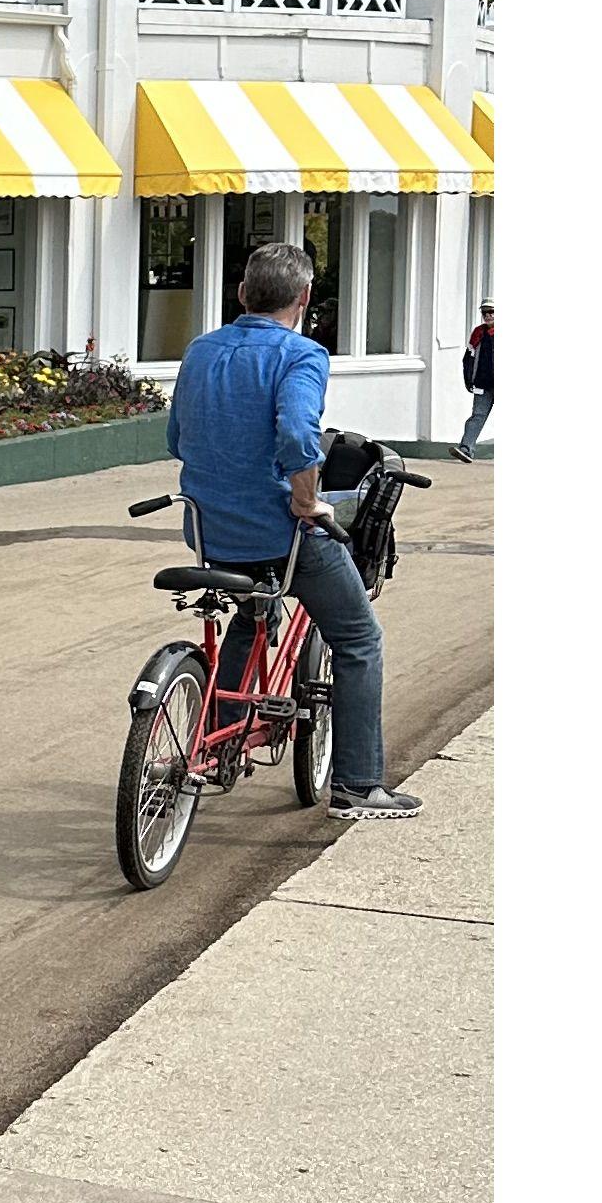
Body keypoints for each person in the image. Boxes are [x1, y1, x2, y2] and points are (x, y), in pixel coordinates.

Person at [165, 234, 417, 821]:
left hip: (206, 531)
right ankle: (358, 785)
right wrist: (308, 502)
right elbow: (300, 436)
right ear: (304, 297)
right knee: (359, 640)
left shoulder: (201, 350)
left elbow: (176, 439)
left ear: (241, 293)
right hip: (278, 535)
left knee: (255, 607)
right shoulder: (302, 355)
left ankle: (224, 734)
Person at [458, 303, 494, 459]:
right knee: (477, 416)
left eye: (491, 312)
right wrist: (469, 380)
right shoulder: (478, 333)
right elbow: (468, 359)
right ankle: (466, 449)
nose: (487, 315)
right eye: (484, 312)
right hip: (482, 383)